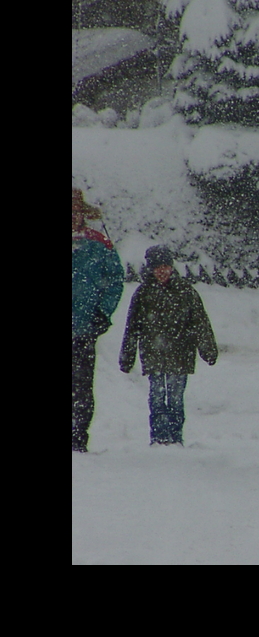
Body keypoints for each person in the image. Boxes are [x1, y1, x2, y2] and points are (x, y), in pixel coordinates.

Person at [119, 246, 218, 446]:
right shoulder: (143, 293)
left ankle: (175, 437)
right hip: (153, 353)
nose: (162, 271)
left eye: (165, 266)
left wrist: (207, 349)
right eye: (157, 267)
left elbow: (200, 321)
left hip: (180, 354)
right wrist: (127, 355)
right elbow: (132, 327)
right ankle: (158, 438)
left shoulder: (185, 291)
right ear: (151, 269)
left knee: (175, 398)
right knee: (157, 397)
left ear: (171, 267)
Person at [73, 187, 124, 452]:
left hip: (84, 330)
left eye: (75, 212)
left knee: (81, 388)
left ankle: (77, 437)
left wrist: (102, 313)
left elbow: (115, 280)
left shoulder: (99, 244)